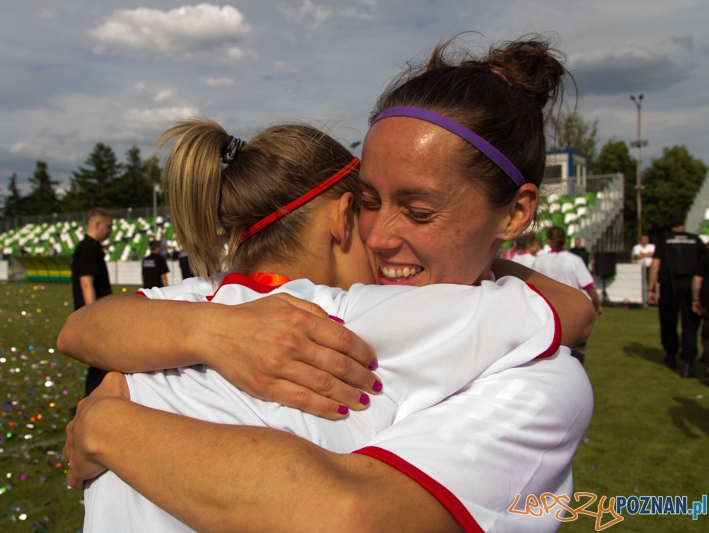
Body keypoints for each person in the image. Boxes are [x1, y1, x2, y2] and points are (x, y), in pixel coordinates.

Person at [60, 35, 595, 531]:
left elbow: (350, 515)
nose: (381, 236)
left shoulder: (536, 380)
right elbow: (83, 328)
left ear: (516, 212)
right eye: (369, 201)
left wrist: (109, 425)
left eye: (420, 211)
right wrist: (210, 331)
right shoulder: (265, 307)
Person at [533, 226, 603, 363]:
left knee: (551, 355)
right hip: (573, 311)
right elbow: (588, 286)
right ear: (565, 239)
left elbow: (533, 286)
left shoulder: (540, 260)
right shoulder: (574, 260)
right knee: (577, 352)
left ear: (548, 240)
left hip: (547, 312)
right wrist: (598, 304)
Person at [649, 210, 706, 377]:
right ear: (685, 223)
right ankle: (688, 362)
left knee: (668, 322)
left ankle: (671, 354)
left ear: (669, 224)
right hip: (690, 287)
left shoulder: (664, 240)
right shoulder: (696, 240)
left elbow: (655, 265)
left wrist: (650, 288)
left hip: (669, 287)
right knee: (690, 325)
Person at [71, 207, 114, 395]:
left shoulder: (90, 247)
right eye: (109, 226)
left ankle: (92, 402)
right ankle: (90, 404)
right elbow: (87, 284)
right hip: (94, 316)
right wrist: (93, 316)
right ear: (97, 224)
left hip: (97, 313)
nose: (111, 230)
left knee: (102, 364)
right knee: (101, 363)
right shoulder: (88, 248)